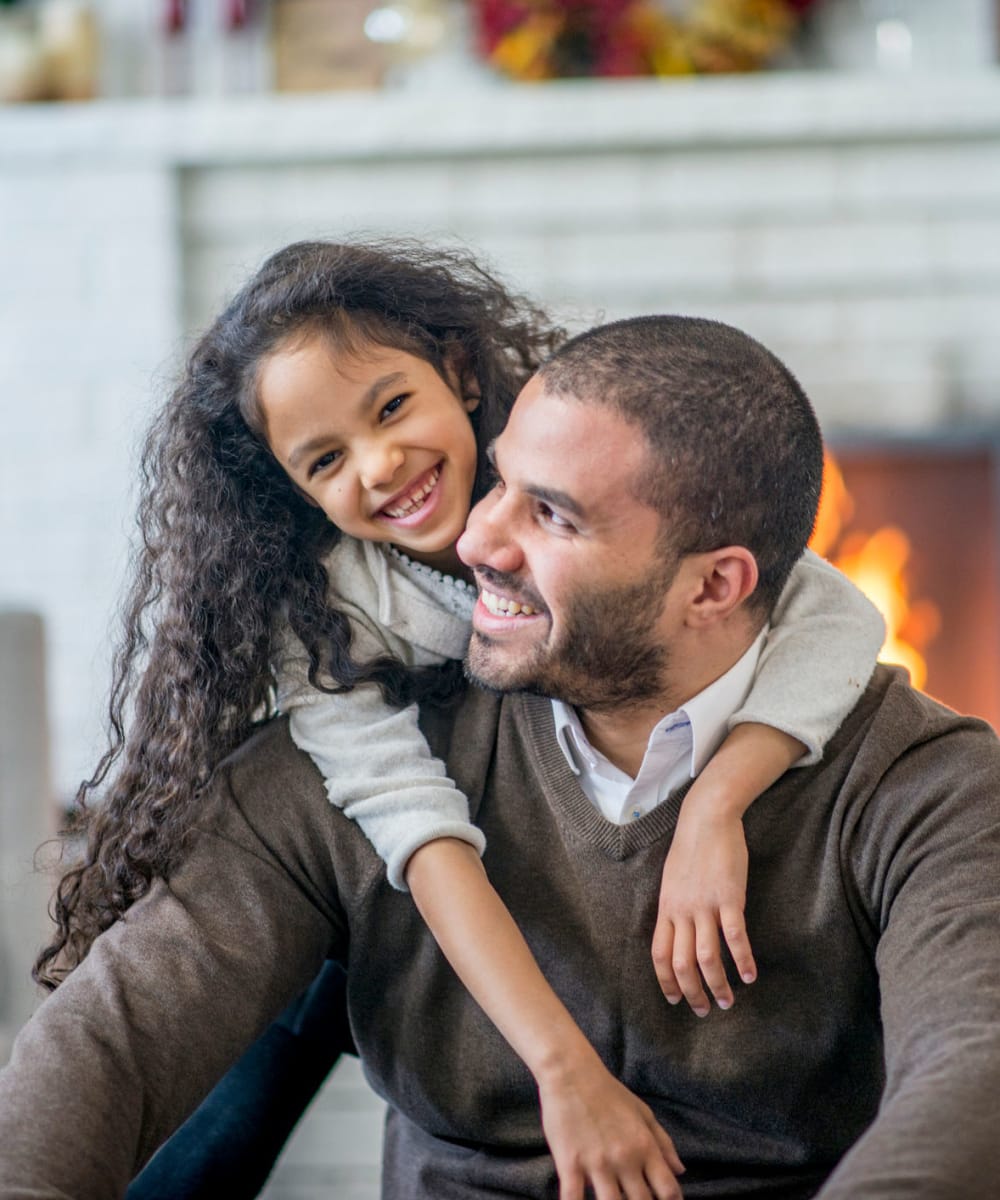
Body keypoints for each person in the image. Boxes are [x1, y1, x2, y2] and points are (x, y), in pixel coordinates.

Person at [1, 313, 999, 1198]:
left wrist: (719, 798)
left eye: (549, 514)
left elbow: (973, 1073)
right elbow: (105, 1051)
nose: (477, 537)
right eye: (500, 483)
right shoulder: (341, 753)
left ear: (717, 585)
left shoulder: (926, 785)